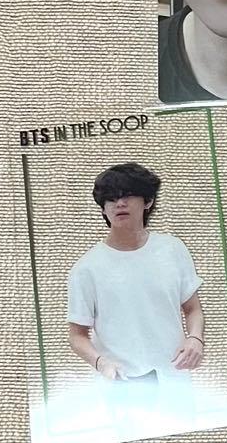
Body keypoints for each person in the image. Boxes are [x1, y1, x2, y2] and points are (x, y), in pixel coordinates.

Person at [67, 163, 205, 423]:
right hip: (122, 386)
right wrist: (101, 363)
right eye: (111, 198)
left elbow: (192, 308)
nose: (119, 203)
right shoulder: (86, 269)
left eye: (128, 195)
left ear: (148, 201)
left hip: (174, 379)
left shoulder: (172, 249)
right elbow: (77, 335)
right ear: (103, 208)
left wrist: (195, 339)